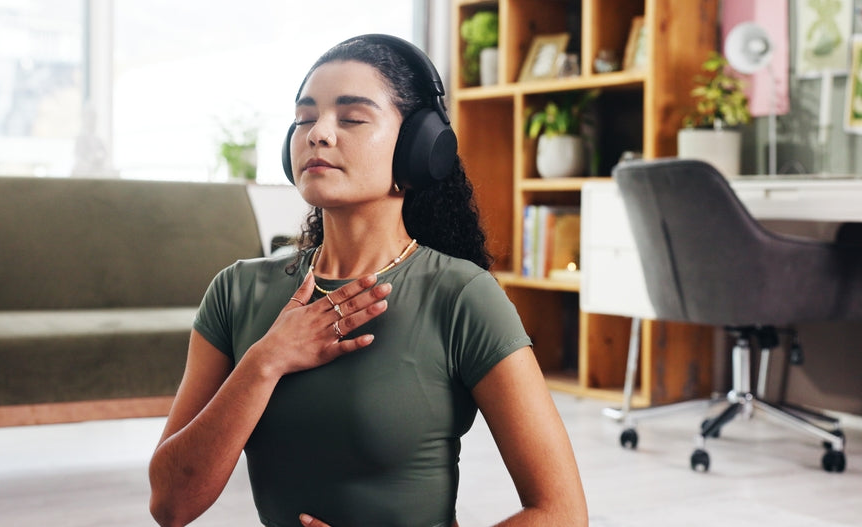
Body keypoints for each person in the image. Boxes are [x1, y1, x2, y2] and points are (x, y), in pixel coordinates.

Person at [149, 34, 588, 527]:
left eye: (352, 118)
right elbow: (170, 505)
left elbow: (561, 513)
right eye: (304, 118)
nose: (318, 133)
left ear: (419, 147)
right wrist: (266, 360)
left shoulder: (462, 296)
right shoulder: (236, 291)